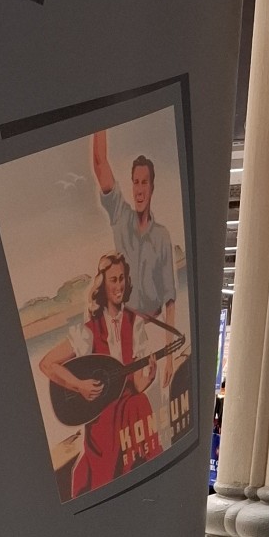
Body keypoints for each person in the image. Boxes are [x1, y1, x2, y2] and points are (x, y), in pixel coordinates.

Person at [39, 254, 158, 494]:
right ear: (103, 285)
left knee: (139, 402)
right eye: (113, 280)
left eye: (122, 278)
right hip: (102, 415)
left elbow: (135, 384)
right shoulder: (88, 331)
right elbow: (47, 364)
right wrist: (79, 385)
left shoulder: (135, 324)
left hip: (129, 410)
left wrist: (149, 378)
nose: (119, 285)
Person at [91, 134, 177, 408]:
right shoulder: (120, 215)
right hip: (124, 335)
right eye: (135, 182)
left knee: (153, 409)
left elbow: (170, 300)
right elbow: (100, 162)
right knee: (121, 408)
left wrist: (170, 358)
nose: (139, 189)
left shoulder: (162, 236)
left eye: (144, 182)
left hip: (153, 333)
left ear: (152, 187)